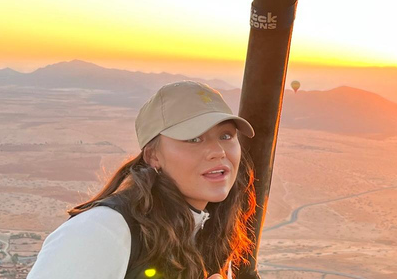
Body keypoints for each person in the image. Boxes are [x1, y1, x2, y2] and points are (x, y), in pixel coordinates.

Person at [28, 80, 257, 279]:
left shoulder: (213, 230)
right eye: (194, 139)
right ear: (153, 155)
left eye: (226, 136)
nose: (218, 151)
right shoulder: (99, 232)